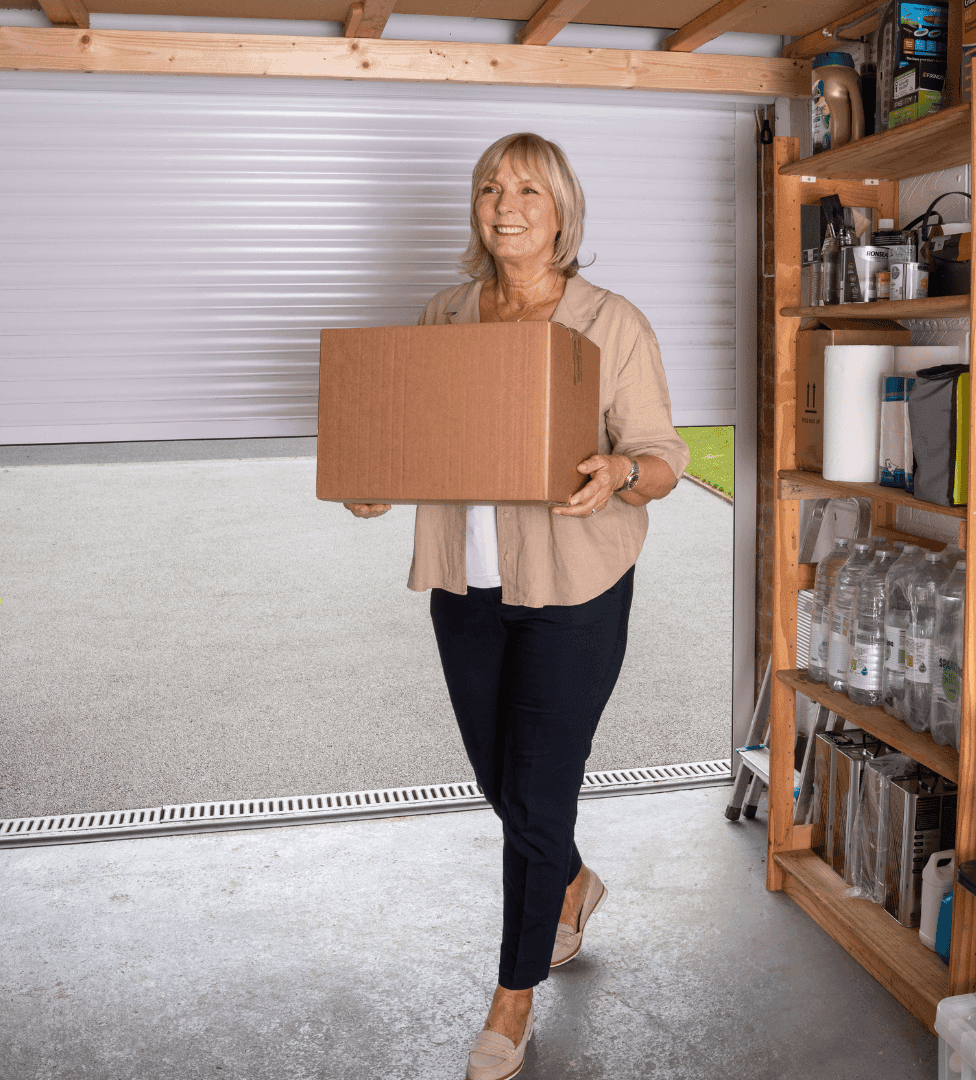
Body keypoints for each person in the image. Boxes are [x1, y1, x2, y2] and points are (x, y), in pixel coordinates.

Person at [343, 132, 689, 1080]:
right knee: (503, 780)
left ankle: (513, 995)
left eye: (530, 189)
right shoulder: (446, 314)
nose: (507, 205)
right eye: (492, 187)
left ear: (562, 209)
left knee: (537, 792)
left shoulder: (610, 321)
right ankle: (570, 880)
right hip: (466, 587)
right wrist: (376, 479)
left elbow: (664, 455)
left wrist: (622, 472)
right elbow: (420, 437)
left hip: (575, 589)